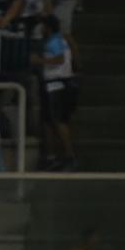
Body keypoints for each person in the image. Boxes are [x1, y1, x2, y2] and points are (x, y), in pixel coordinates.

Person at [32, 14, 78, 170]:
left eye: (43, 26)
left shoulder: (55, 41)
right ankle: (52, 157)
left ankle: (69, 156)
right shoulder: (60, 39)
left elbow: (59, 59)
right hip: (52, 85)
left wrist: (40, 61)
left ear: (48, 27)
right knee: (48, 121)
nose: (41, 29)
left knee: (59, 121)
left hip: (57, 86)